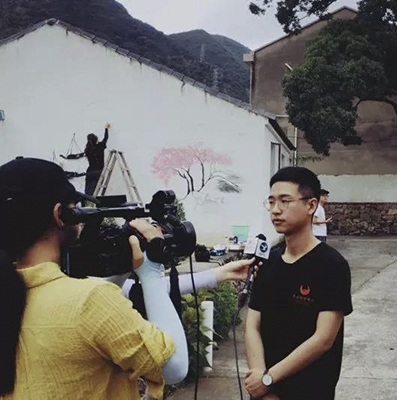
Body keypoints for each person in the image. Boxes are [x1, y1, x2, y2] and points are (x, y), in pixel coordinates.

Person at [0, 157, 255, 399]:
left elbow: (97, 313)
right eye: (75, 207)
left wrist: (123, 264)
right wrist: (151, 271)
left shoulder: (13, 291)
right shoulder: (89, 301)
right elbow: (174, 367)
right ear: (60, 215)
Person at [245, 167, 353, 400]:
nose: (276, 209)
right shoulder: (269, 261)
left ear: (311, 205)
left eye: (285, 201)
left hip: (310, 391)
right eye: (271, 202)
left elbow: (323, 339)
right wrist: (259, 378)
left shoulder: (332, 265)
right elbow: (253, 323)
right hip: (265, 390)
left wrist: (269, 379)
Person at [61, 123, 111, 196]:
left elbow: (80, 155)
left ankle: (87, 201)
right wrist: (106, 128)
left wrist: (69, 157)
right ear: (96, 140)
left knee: (88, 192)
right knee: (97, 191)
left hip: (90, 172)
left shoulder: (88, 150)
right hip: (99, 171)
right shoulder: (100, 146)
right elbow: (106, 138)